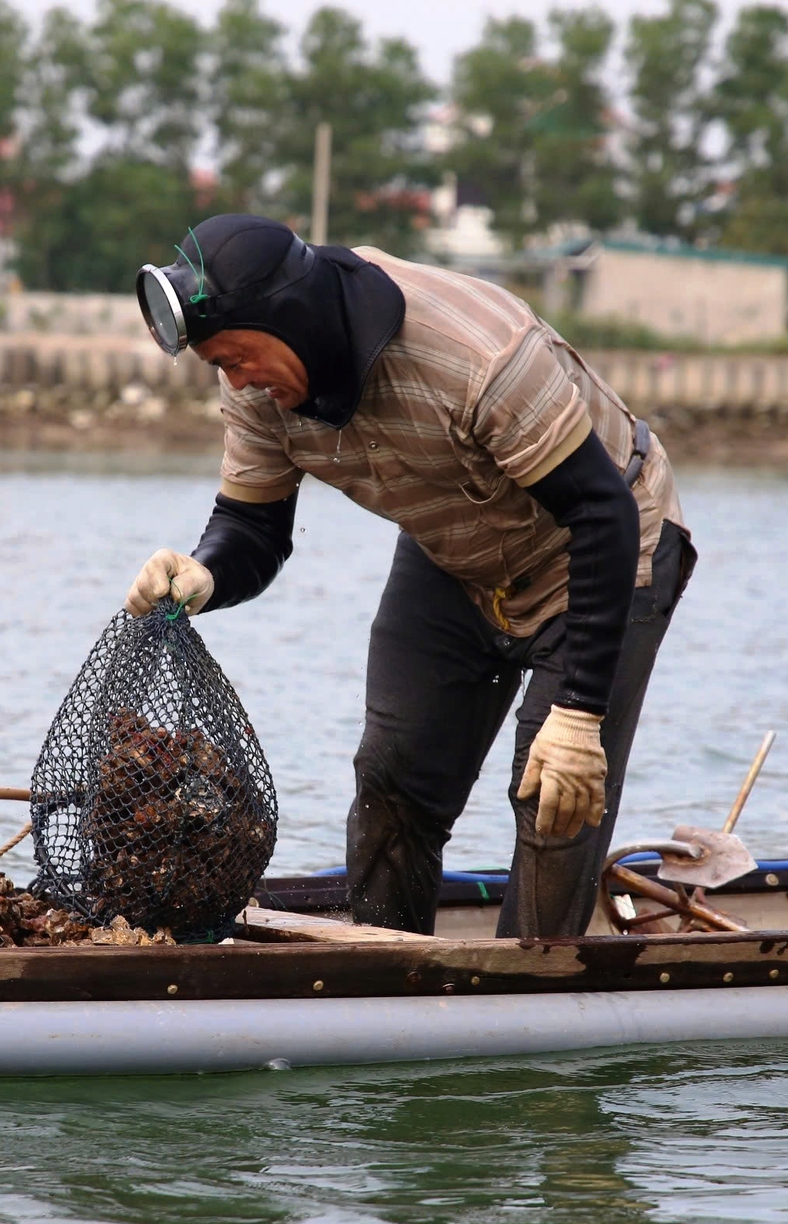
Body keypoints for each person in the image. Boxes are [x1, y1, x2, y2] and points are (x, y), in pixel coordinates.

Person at [125, 214, 694, 938]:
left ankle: (540, 991)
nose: (237, 381)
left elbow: (600, 513)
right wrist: (204, 572)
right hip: (455, 548)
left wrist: (580, 715)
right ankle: (392, 975)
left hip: (602, 544)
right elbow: (253, 529)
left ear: (291, 319)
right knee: (393, 779)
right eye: (219, 367)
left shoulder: (477, 356)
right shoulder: (255, 389)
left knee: (555, 791)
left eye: (239, 357)